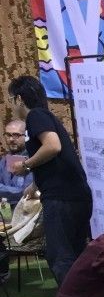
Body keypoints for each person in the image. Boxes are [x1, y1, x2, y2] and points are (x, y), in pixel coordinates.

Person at [7, 75, 92, 286]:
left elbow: (53, 146)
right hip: (74, 196)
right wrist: (35, 183)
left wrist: (26, 165)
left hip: (63, 199)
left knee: (60, 257)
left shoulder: (36, 116)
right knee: (75, 254)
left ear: (19, 99)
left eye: (12, 100)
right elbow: (57, 158)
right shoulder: (43, 117)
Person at [0, 119, 33, 207]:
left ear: (26, 136)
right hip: (6, 212)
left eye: (16, 135)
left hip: (29, 212)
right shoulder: (3, 161)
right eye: (8, 135)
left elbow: (26, 191)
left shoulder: (34, 159)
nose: (11, 139)